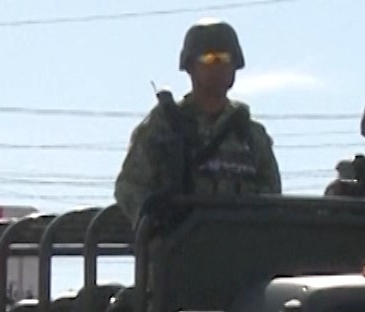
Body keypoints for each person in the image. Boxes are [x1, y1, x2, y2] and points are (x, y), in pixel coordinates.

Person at [114, 20, 281, 224]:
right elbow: (129, 186)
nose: (218, 66)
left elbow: (273, 201)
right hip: (181, 240)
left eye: (225, 59)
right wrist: (154, 222)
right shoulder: (164, 126)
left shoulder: (250, 134)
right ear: (190, 66)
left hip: (241, 239)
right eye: (209, 59)